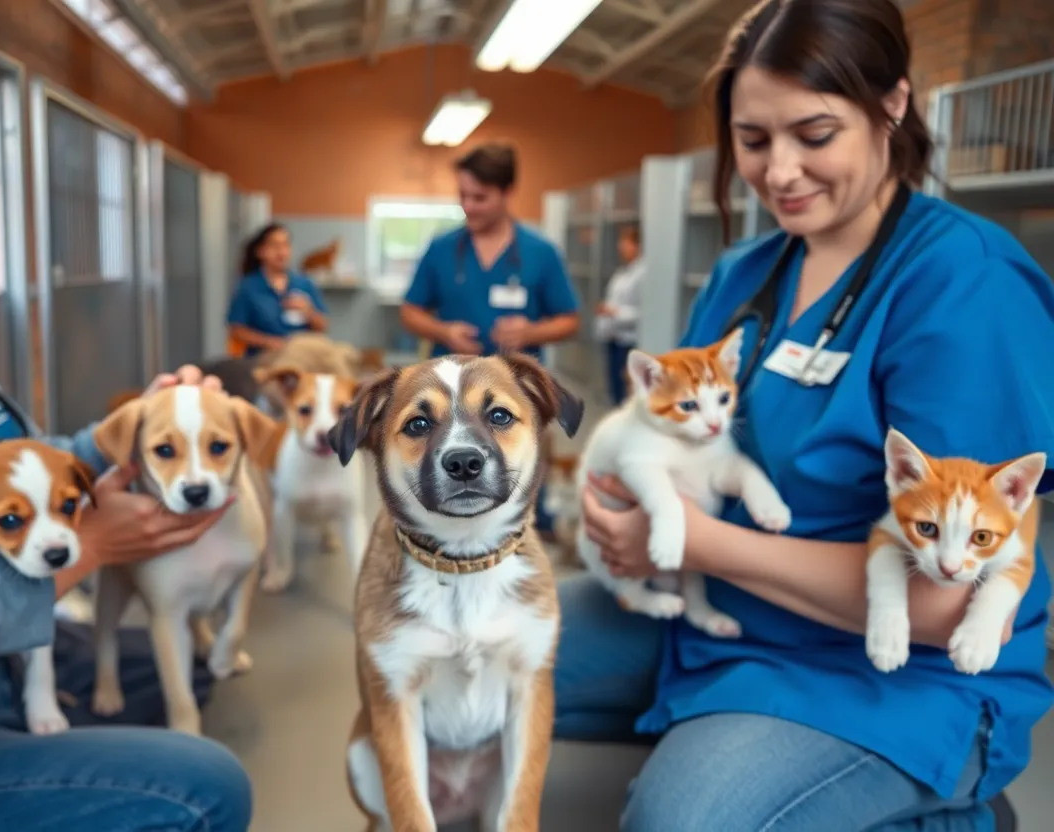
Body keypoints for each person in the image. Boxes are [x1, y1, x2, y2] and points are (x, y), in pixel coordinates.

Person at [553, 1, 1054, 830]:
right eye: (753, 141)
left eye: (813, 136)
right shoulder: (745, 275)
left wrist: (693, 539)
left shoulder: (965, 285)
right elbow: (674, 432)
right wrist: (622, 508)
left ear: (892, 104)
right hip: (720, 614)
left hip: (892, 672)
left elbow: (944, 607)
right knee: (446, 657)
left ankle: (948, 809)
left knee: (683, 822)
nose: (779, 171)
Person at [0, 71, 251, 830]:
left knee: (165, 672)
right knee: (203, 788)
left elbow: (12, 465)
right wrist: (88, 547)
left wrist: (132, 434)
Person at [399, 142, 581, 537]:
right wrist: (442, 331)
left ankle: (534, 524)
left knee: (525, 461)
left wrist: (530, 332)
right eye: (463, 196)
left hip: (513, 390)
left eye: (479, 197)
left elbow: (570, 320)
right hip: (447, 387)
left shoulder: (540, 253)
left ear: (507, 193)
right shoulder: (443, 249)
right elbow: (410, 310)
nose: (469, 206)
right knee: (453, 460)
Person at [226, 222, 329, 357]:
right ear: (260, 251)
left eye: (286, 245)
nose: (282, 252)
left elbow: (323, 327)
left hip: (302, 353)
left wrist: (309, 312)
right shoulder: (248, 287)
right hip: (264, 356)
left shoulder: (304, 284)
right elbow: (237, 330)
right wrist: (271, 342)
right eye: (275, 246)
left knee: (342, 354)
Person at [594, 224, 645, 405]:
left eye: (625, 243)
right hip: (613, 338)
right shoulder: (622, 273)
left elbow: (644, 312)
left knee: (627, 390)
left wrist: (614, 312)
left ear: (637, 246)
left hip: (629, 341)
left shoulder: (643, 274)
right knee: (615, 389)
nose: (621, 248)